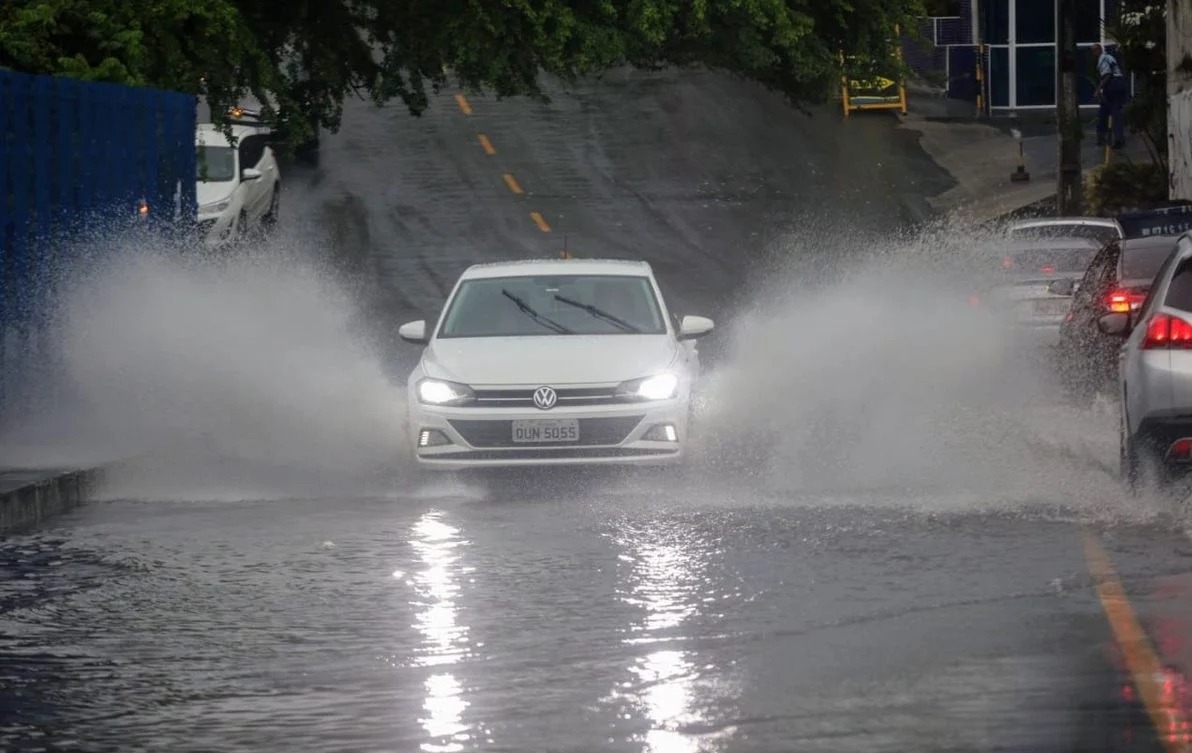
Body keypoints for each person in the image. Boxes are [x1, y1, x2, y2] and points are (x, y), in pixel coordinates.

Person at [1092, 43, 1127, 149]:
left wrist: (1098, 89)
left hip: (1113, 85)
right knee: (1105, 111)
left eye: (1093, 51)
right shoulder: (1109, 57)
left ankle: (1117, 140)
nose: (1093, 53)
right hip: (1119, 84)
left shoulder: (1102, 59)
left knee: (1114, 112)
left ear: (1098, 50)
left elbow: (1108, 75)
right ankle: (1103, 137)